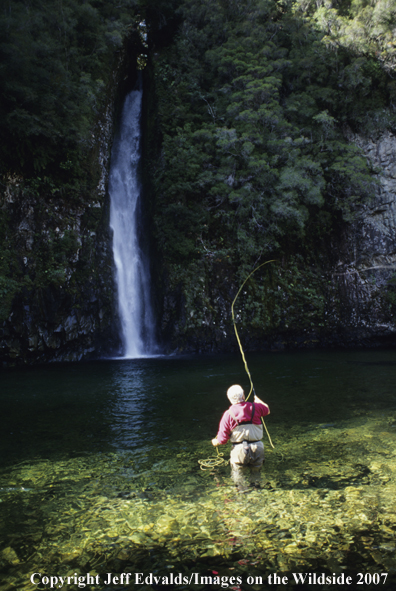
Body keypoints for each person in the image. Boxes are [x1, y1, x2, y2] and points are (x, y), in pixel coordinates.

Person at [212, 384, 270, 492]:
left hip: (238, 451)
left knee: (238, 477)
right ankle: (257, 493)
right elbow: (267, 410)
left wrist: (214, 442)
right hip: (257, 448)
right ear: (243, 395)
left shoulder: (228, 414)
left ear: (229, 399)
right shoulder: (256, 407)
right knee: (256, 475)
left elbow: (222, 440)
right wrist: (259, 401)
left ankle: (241, 497)